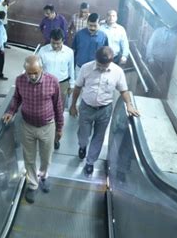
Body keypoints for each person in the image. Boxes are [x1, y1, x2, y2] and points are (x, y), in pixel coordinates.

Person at [69, 46, 139, 176]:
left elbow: (123, 90)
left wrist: (129, 104)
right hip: (86, 107)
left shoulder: (117, 72)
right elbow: (78, 87)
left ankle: (90, 162)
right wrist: (73, 105)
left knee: (99, 137)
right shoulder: (86, 68)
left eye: (105, 66)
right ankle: (82, 146)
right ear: (96, 60)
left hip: (105, 110)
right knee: (84, 134)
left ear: (110, 62)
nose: (102, 68)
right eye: (100, 65)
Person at [2, 55, 63, 204]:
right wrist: (11, 112)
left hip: (47, 126)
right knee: (29, 158)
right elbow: (16, 98)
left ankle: (44, 176)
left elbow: (58, 106)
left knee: (46, 157)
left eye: (35, 72)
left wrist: (59, 127)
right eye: (29, 73)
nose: (32, 76)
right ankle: (33, 184)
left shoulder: (53, 81)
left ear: (41, 69)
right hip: (27, 126)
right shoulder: (20, 80)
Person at [38, 29, 74, 149]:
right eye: (53, 43)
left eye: (58, 43)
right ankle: (44, 137)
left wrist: (71, 85)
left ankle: (55, 138)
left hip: (62, 84)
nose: (55, 45)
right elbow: (38, 69)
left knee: (59, 112)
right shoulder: (43, 51)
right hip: (46, 84)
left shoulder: (69, 52)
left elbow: (71, 69)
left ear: (63, 41)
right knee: (45, 110)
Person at [72, 13, 108, 79]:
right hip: (80, 68)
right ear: (87, 23)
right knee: (78, 88)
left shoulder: (103, 36)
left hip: (96, 69)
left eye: (95, 26)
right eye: (90, 25)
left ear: (99, 24)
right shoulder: (79, 34)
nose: (92, 28)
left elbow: (105, 53)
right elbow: (74, 51)